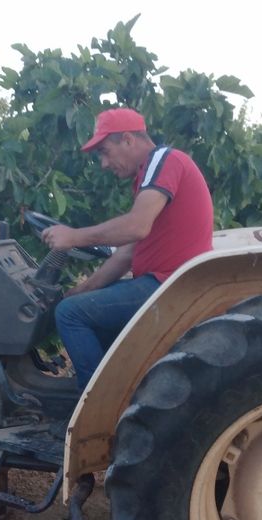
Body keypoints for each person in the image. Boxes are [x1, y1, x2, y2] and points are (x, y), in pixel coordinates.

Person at [42, 107, 214, 389]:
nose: (104, 164)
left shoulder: (164, 159)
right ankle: (117, 394)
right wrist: (82, 290)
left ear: (128, 140)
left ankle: (94, 412)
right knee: (79, 307)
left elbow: (136, 226)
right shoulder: (149, 177)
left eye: (105, 152)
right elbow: (127, 253)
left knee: (69, 314)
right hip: (166, 282)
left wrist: (73, 237)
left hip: (171, 285)